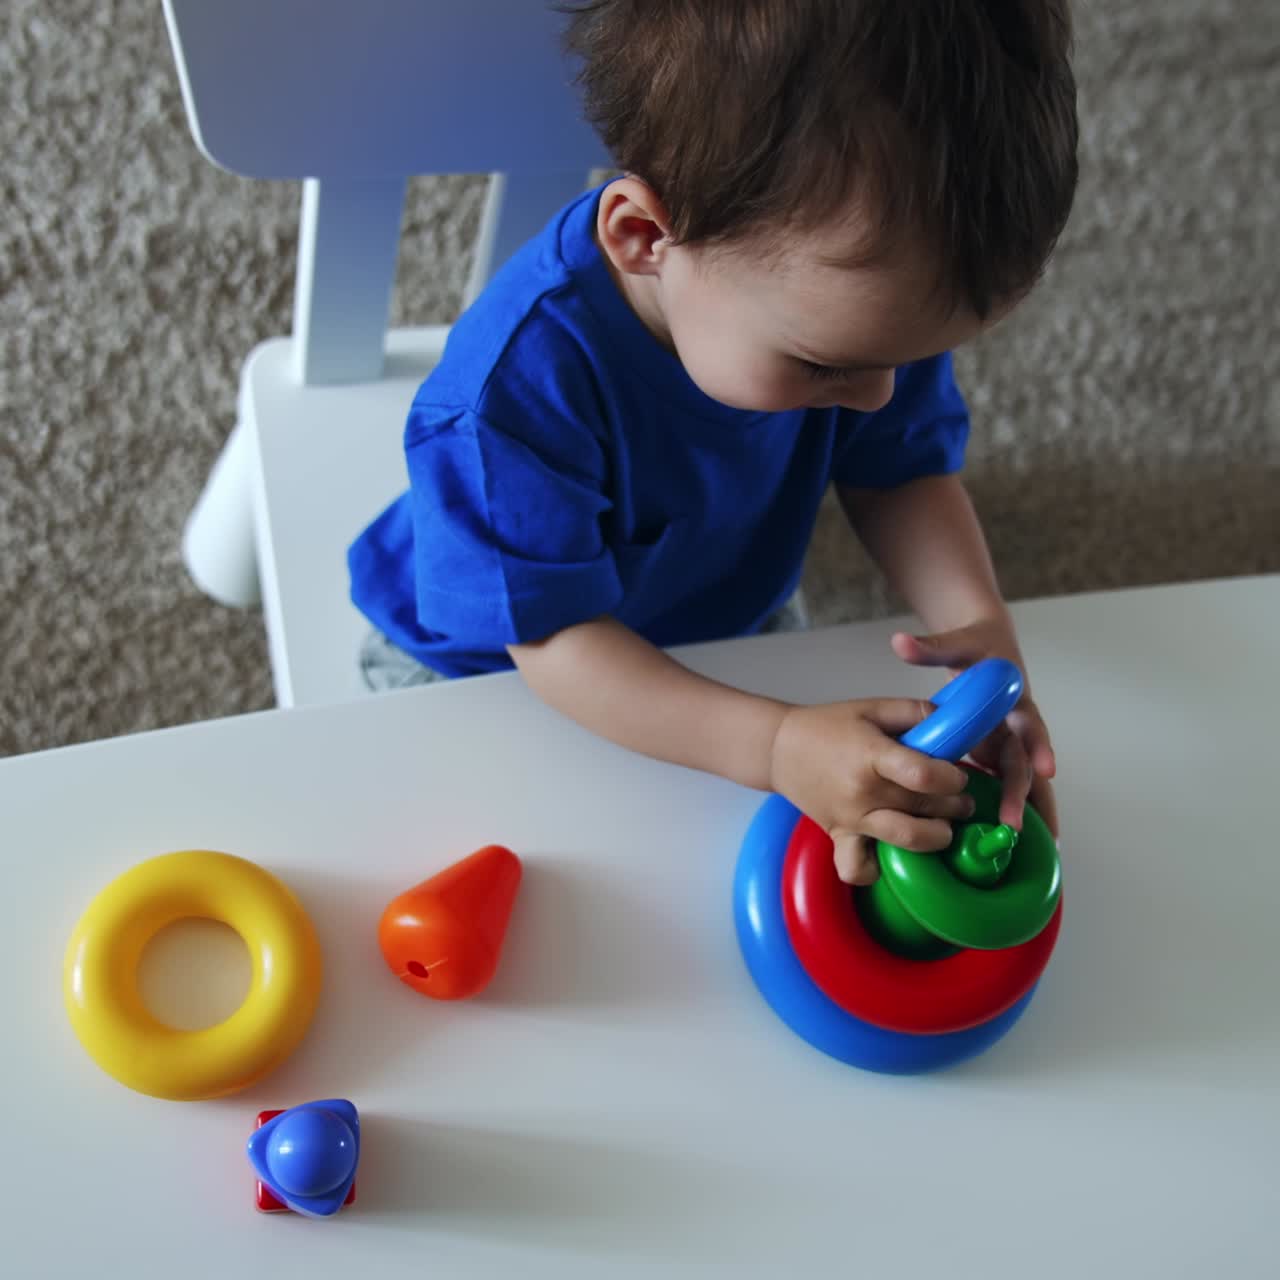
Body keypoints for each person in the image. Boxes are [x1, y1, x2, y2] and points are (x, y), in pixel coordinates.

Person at [349, 0, 1077, 884]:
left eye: (912, 358)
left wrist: (980, 627)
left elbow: (901, 474)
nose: (880, 396)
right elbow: (554, 639)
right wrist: (773, 744)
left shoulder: (855, 322)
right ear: (644, 237)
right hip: (488, 664)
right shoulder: (509, 397)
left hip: (725, 611)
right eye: (827, 365)